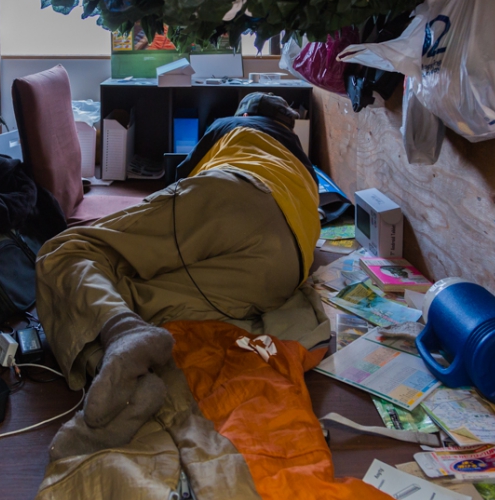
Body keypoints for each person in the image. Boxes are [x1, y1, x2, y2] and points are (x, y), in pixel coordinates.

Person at [35, 92, 324, 458]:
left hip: (235, 197)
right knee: (131, 300)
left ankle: (119, 343)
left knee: (65, 253)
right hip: (286, 267)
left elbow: (179, 179)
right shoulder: (304, 166)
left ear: (246, 111)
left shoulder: (236, 126)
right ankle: (127, 385)